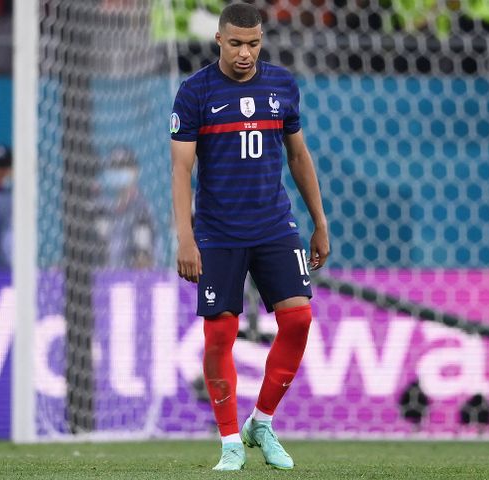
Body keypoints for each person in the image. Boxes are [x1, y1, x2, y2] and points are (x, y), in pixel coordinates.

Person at [170, 2, 329, 471]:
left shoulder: (281, 85)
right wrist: (185, 237)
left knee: (298, 321)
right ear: (219, 39)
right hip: (218, 232)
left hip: (274, 224)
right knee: (219, 334)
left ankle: (261, 422)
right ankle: (228, 444)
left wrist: (320, 222)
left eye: (254, 43)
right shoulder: (195, 92)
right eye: (236, 43)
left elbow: (298, 157)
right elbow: (182, 167)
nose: (245, 53)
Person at [94, 146, 156, 269]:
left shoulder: (141, 208)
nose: (118, 172)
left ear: (135, 170)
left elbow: (144, 259)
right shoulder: (102, 207)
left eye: (123, 166)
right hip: (102, 277)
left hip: (131, 280)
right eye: (114, 167)